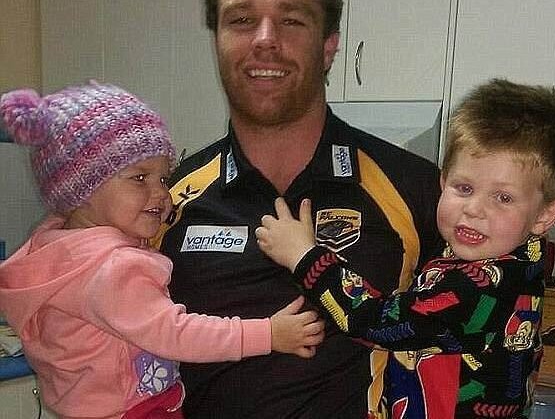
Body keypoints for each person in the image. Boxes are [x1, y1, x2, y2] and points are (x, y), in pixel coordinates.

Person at [154, 0, 443, 417]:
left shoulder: (415, 189)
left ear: (328, 46)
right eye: (242, 20)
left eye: (291, 21)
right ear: (218, 41)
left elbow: (478, 344)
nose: (265, 40)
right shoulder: (166, 201)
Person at [256, 78, 555, 418]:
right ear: (443, 182)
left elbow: (372, 321)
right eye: (464, 188)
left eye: (503, 198)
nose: (474, 209)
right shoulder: (516, 259)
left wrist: (305, 256)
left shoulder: (480, 286)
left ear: (544, 215)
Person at [0, 82, 324, 419]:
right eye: (140, 178)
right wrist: (268, 334)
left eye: (163, 179)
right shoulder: (113, 269)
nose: (161, 194)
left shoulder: (56, 245)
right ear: (83, 189)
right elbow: (178, 334)